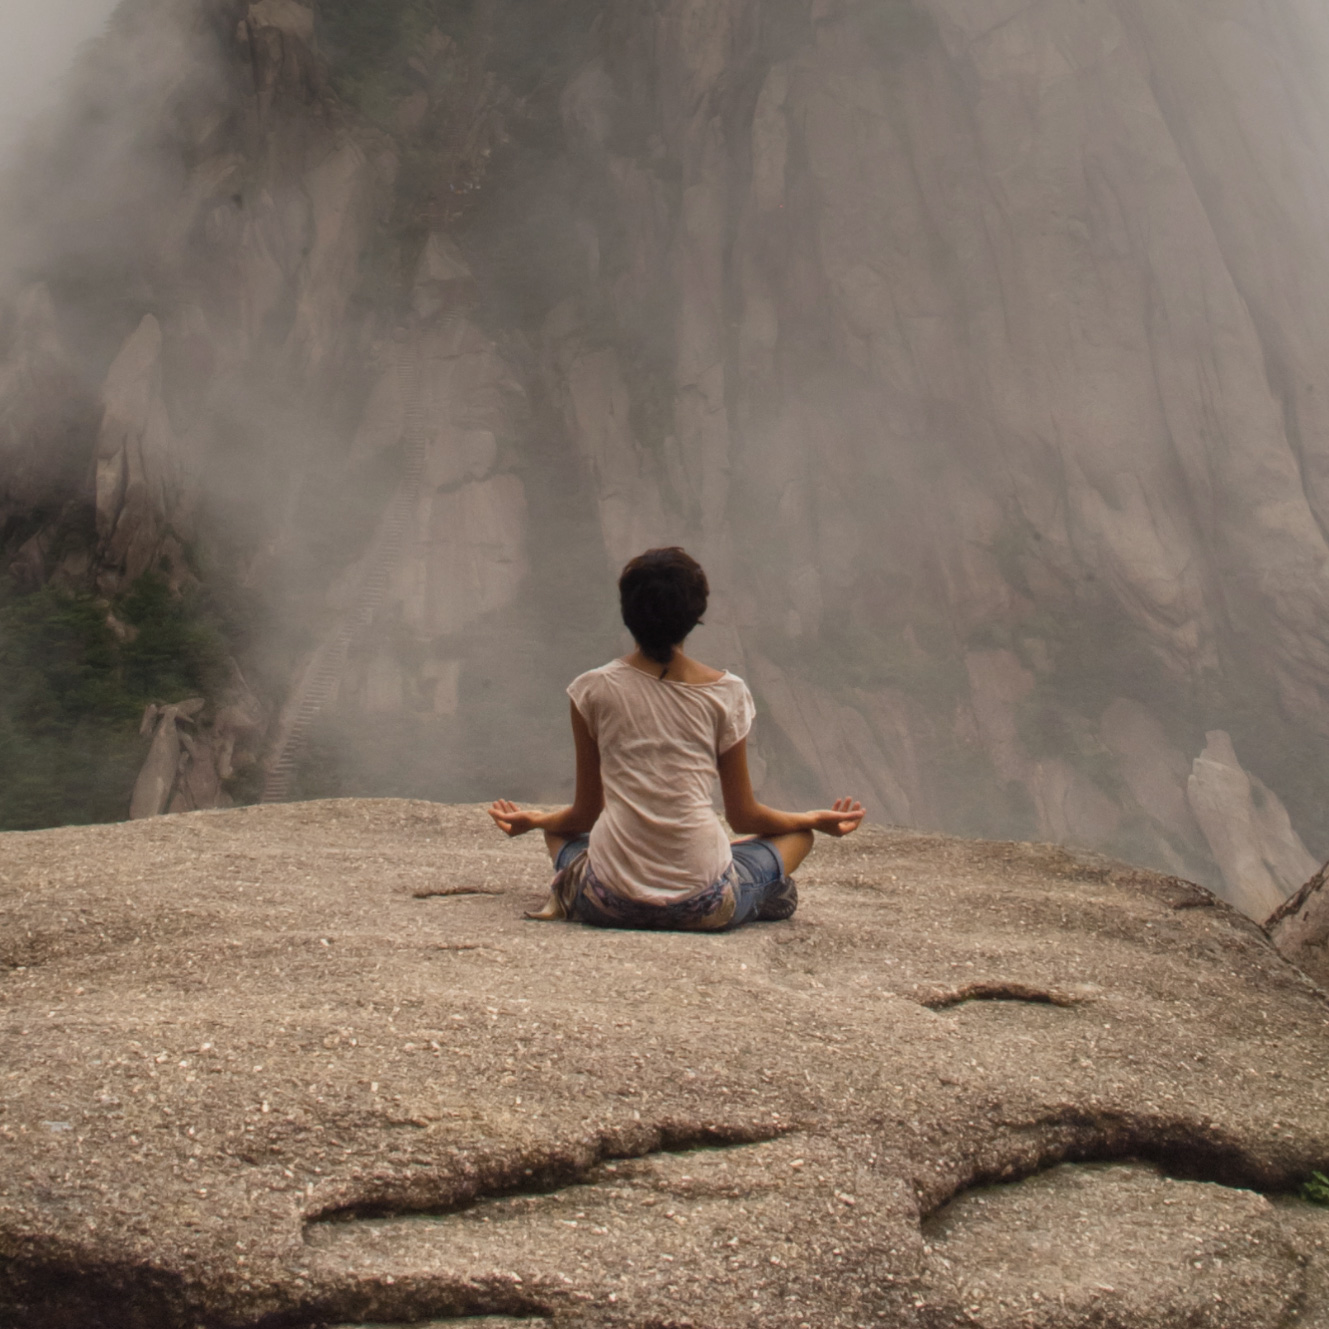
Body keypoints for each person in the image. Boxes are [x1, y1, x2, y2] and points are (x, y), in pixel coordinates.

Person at [488, 547, 865, 930]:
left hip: (606, 901)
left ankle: (725, 874)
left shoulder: (591, 690)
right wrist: (813, 819)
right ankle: (760, 889)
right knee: (798, 836)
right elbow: (743, 816)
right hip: (705, 904)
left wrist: (536, 820)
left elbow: (585, 813)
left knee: (557, 828)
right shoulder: (726, 694)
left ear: (628, 612)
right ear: (695, 616)